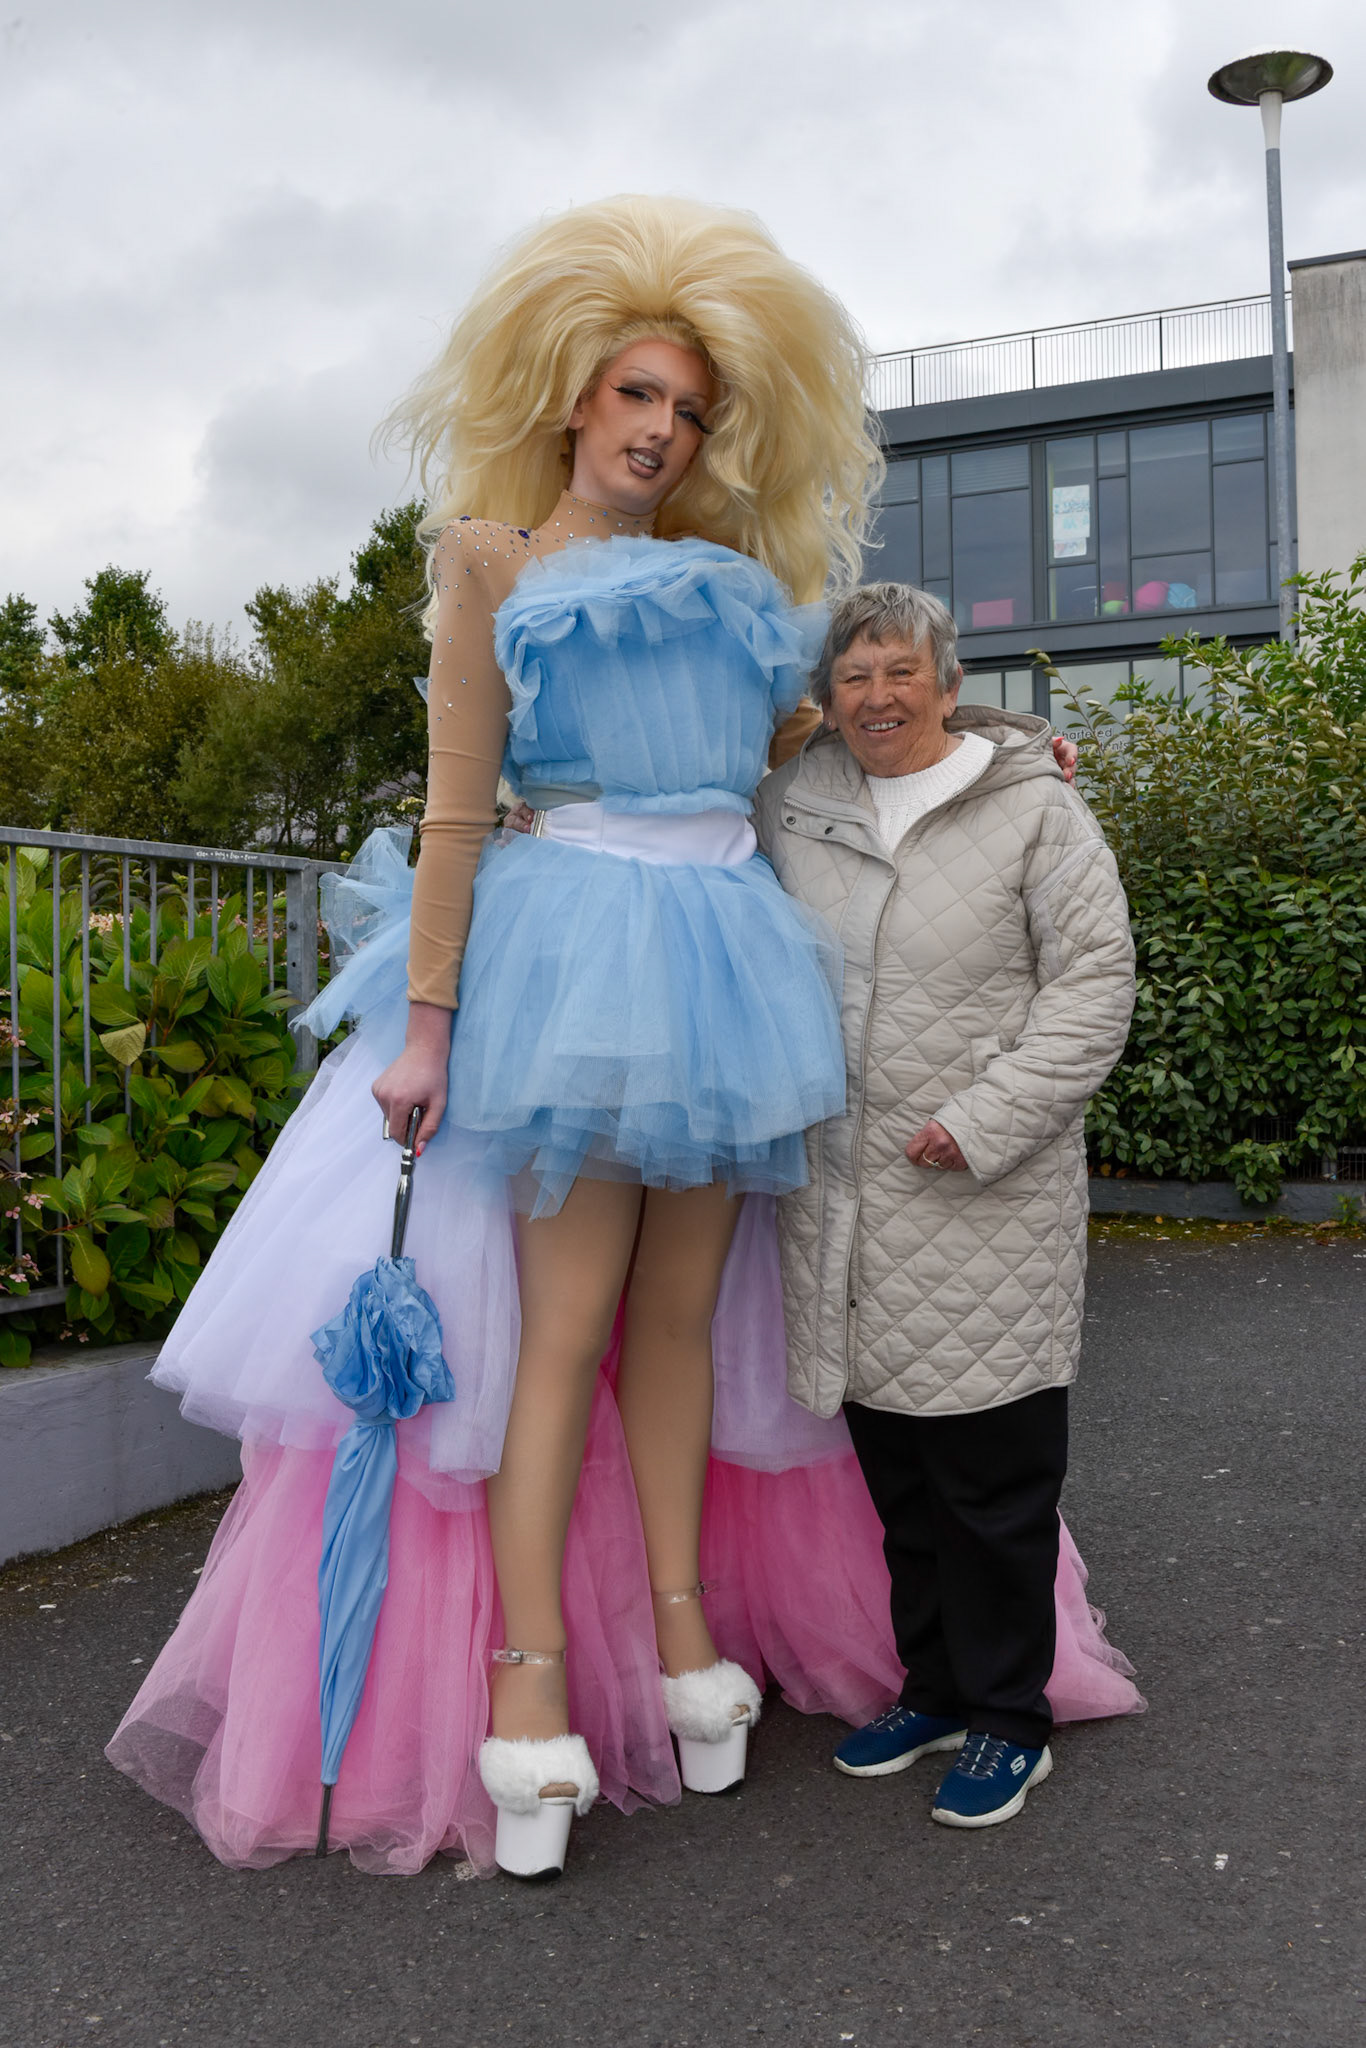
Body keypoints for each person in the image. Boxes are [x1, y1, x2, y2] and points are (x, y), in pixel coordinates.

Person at [107, 199, 1140, 1881]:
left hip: (727, 962)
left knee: (677, 1326)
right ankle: (528, 1684)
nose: (663, 428)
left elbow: (831, 742)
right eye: (637, 394)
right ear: (572, 393)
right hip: (573, 963)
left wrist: (1002, 737)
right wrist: (427, 1028)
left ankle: (680, 1642)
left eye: (692, 408)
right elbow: (454, 813)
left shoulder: (744, 585)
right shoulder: (490, 559)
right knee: (556, 1337)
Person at [753, 581, 1140, 1828]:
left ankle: (1008, 1716)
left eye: (898, 671)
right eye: (854, 674)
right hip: (842, 1197)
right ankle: (929, 1686)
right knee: (899, 1476)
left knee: (994, 1479)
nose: (876, 696)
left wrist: (981, 1121)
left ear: (947, 679)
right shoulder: (795, 802)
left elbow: (1094, 988)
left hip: (981, 1191)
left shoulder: (1034, 808)